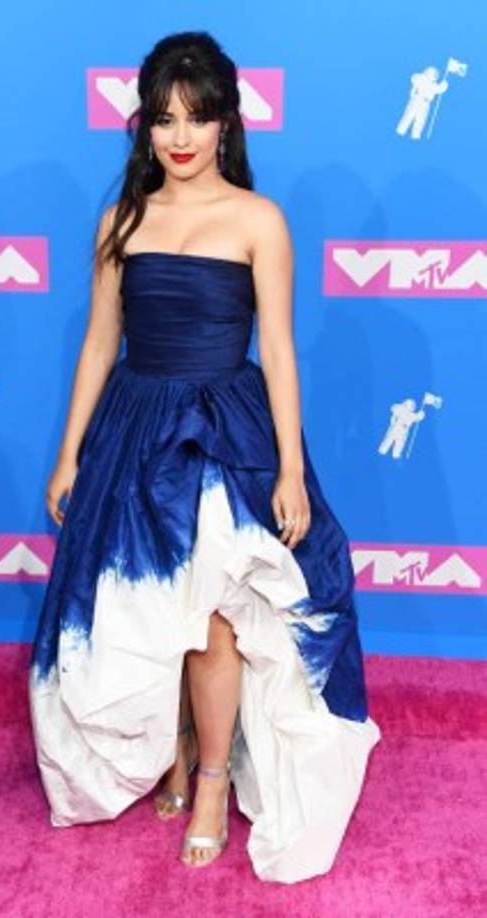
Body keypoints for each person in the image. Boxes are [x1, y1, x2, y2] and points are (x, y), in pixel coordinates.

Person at [28, 30, 381, 884]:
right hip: (136, 429)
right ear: (143, 127)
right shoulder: (122, 220)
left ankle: (214, 779)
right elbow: (99, 344)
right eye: (163, 119)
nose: (179, 136)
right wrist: (69, 454)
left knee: (219, 608)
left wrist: (289, 468)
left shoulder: (259, 220)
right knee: (155, 611)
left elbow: (279, 350)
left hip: (226, 430)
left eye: (197, 116)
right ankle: (180, 747)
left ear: (227, 121)